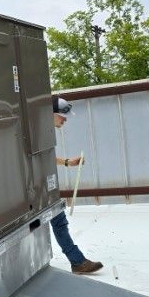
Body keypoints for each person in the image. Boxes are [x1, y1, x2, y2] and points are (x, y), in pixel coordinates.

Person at [50, 96, 103, 274]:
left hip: (41, 185)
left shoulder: (45, 132)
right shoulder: (37, 132)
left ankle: (78, 261)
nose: (65, 119)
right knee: (58, 221)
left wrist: (67, 162)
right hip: (32, 187)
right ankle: (77, 262)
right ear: (50, 114)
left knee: (59, 220)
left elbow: (44, 157)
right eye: (61, 115)